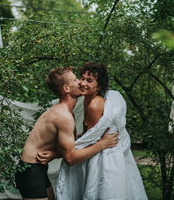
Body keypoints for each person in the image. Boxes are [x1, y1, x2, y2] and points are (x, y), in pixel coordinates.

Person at [38, 62, 148, 200]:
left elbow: (87, 143)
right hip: (97, 149)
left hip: (105, 158)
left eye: (89, 80)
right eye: (82, 78)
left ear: (99, 85)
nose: (82, 83)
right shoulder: (86, 98)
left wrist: (55, 154)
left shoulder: (95, 104)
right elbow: (87, 135)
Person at [15, 66, 119, 200]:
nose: (80, 83)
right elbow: (70, 158)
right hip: (30, 170)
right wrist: (102, 144)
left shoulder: (66, 111)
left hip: (37, 168)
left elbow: (69, 144)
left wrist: (55, 153)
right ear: (66, 89)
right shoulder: (63, 116)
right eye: (76, 80)